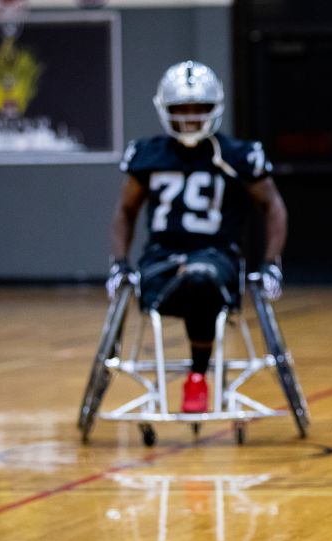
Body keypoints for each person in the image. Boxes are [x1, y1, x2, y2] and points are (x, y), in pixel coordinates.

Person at [109, 60, 287, 413]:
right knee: (189, 277)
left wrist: (271, 263)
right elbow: (125, 212)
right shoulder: (148, 154)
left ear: (215, 109)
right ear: (165, 110)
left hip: (216, 257)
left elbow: (274, 207)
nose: (190, 117)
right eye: (181, 109)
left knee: (201, 279)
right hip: (161, 259)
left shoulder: (237, 154)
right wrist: (118, 263)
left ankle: (197, 376)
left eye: (199, 108)